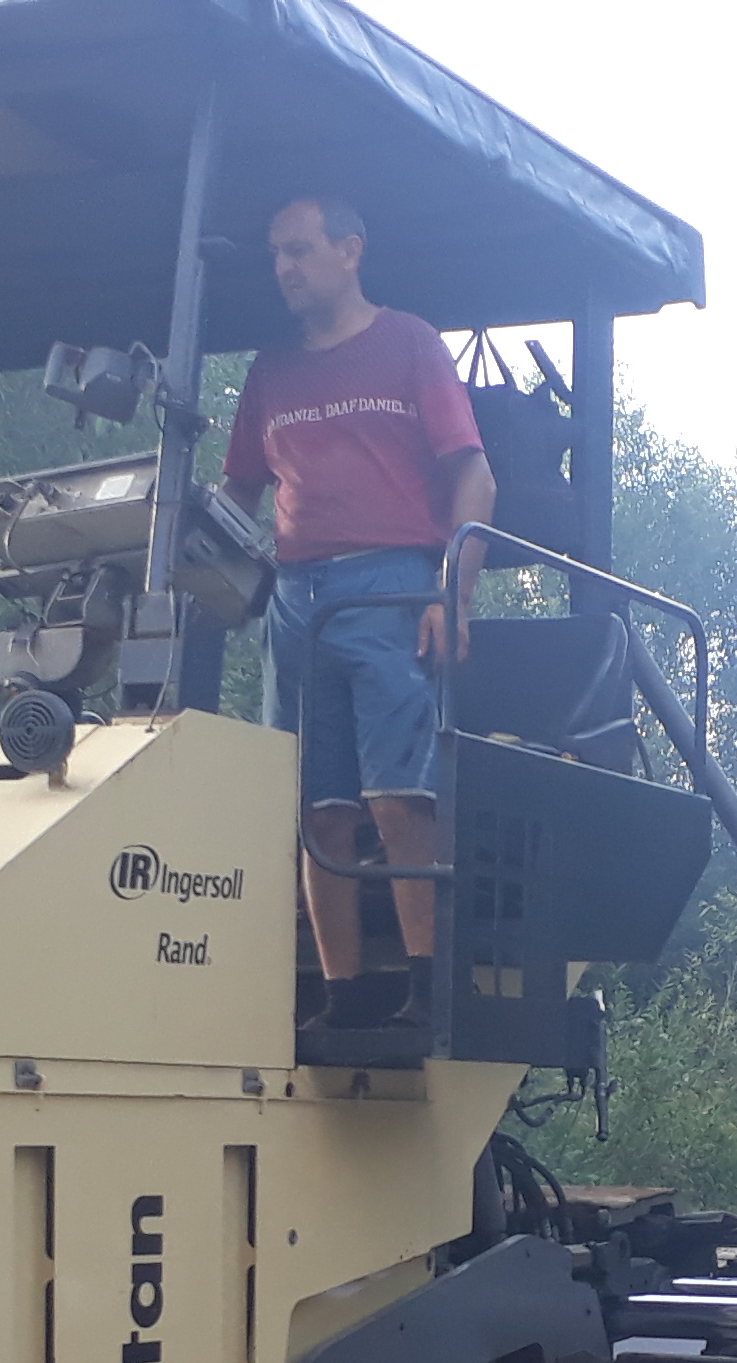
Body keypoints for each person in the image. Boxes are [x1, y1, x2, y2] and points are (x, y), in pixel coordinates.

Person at [223, 192, 496, 1030]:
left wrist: (452, 593)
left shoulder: (408, 342)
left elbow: (475, 480)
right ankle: (341, 994)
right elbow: (235, 493)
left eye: (299, 250)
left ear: (350, 251)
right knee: (318, 808)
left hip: (391, 584)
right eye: (276, 254)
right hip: (296, 596)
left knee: (397, 798)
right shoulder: (270, 370)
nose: (285, 269)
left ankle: (425, 986)